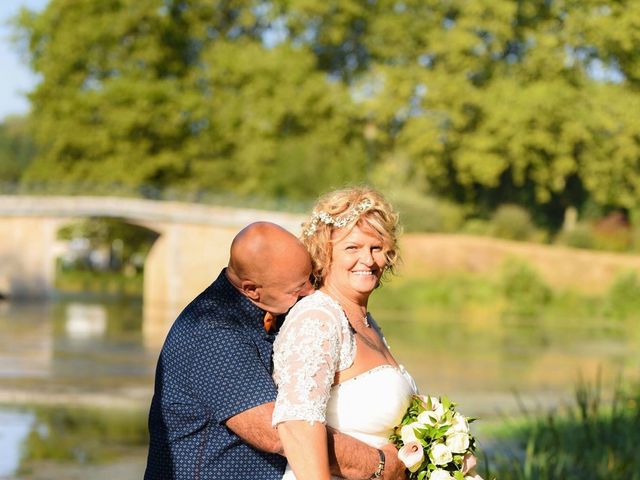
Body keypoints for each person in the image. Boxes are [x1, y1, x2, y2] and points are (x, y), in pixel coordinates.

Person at [144, 221, 407, 480]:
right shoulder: (213, 333)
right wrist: (378, 464)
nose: (310, 292)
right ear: (251, 289)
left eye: (310, 279)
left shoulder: (274, 305)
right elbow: (283, 433)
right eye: (297, 289)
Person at [271, 187, 481, 479]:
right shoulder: (317, 318)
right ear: (324, 253)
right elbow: (296, 425)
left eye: (377, 248)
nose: (368, 260)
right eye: (352, 248)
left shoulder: (366, 322)